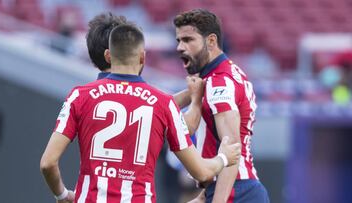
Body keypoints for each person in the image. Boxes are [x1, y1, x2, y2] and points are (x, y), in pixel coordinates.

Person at [40, 24, 242, 202]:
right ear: (143, 57)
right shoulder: (163, 104)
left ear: (109, 56)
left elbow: (48, 163)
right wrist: (223, 158)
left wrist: (62, 195)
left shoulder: (80, 96)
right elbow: (201, 171)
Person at [173, 9, 270, 202]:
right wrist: (203, 197)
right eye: (179, 41)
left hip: (237, 192)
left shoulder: (220, 83)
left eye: (188, 40)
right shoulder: (221, 75)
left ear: (211, 41)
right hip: (235, 189)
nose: (180, 47)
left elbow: (232, 150)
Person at [86, 12, 199, 133]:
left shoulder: (82, 96)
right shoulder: (144, 98)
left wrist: (190, 93)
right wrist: (197, 98)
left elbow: (160, 104)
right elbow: (186, 128)